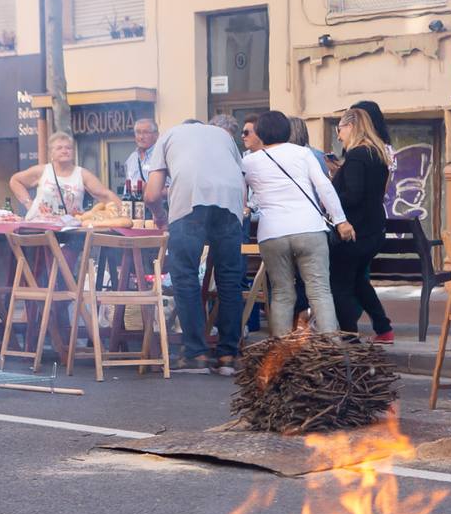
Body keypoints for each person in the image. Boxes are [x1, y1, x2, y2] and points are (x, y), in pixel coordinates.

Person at [144, 117, 249, 376]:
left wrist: (159, 217)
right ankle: (227, 355)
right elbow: (242, 184)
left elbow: (152, 194)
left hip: (190, 202)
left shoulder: (169, 136)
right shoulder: (223, 137)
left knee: (185, 276)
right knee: (229, 279)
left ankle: (195, 353)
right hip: (230, 203)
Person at [243, 110, 352, 334]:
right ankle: (330, 345)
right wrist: (341, 221)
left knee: (282, 293)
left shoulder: (249, 162)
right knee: (319, 290)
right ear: (287, 130)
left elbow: (240, 195)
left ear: (261, 133)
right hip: (309, 229)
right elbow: (323, 187)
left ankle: (281, 350)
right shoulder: (302, 154)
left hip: (272, 233)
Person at [329, 101, 397, 342]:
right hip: (373, 230)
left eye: (340, 128)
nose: (338, 134)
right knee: (359, 282)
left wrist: (331, 202)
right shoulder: (376, 154)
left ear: (352, 126)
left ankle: (349, 337)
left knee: (339, 285)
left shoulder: (357, 155)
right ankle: (383, 328)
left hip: (354, 233)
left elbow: (354, 195)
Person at [10, 132, 116, 217]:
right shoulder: (42, 171)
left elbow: (105, 195)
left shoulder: (82, 174)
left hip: (72, 231)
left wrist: (128, 216)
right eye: (59, 148)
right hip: (41, 228)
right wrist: (29, 204)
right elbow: (15, 181)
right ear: (51, 153)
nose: (64, 151)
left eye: (68, 148)